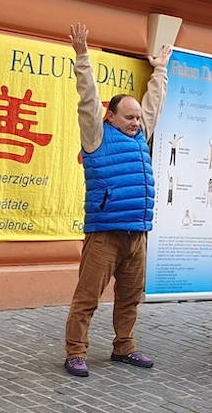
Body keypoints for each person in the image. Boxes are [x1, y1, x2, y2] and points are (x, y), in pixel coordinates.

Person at [63, 23, 172, 377]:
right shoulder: (96, 135)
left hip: (138, 235)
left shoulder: (141, 134)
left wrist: (160, 71)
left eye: (138, 118)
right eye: (130, 117)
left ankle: (124, 348)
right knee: (87, 299)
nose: (137, 122)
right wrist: (82, 55)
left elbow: (154, 104)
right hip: (105, 235)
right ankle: (75, 353)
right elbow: (88, 97)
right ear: (111, 117)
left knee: (129, 298)